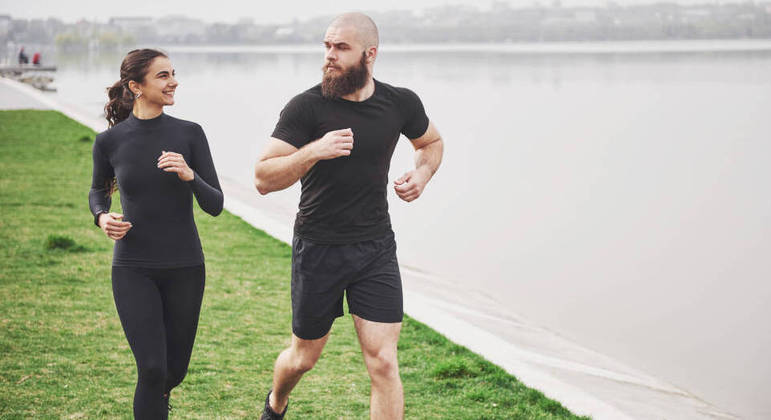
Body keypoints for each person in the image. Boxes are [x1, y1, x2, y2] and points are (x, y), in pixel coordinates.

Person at [254, 12, 444, 420]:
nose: (329, 56)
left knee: (383, 362)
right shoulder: (306, 107)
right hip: (318, 246)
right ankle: (276, 403)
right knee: (303, 357)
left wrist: (423, 174)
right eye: (327, 46)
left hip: (375, 247)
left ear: (369, 54)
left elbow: (431, 142)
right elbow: (263, 178)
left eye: (341, 48)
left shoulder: (400, 103)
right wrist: (313, 150)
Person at [88, 48, 223, 419]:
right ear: (136, 86)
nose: (174, 81)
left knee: (172, 372)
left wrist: (190, 175)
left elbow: (215, 204)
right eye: (163, 75)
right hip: (133, 268)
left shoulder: (190, 134)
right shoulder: (110, 142)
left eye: (173, 73)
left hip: (185, 267)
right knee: (151, 368)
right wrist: (101, 216)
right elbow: (98, 190)